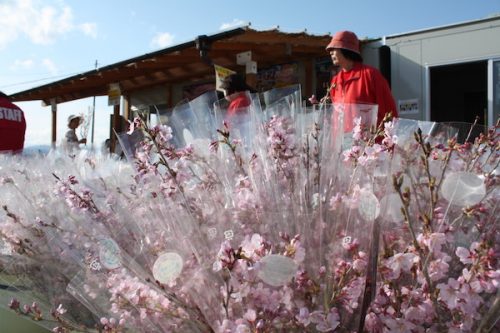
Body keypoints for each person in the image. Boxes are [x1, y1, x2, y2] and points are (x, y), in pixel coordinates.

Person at [326, 30, 398, 130]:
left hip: (369, 143)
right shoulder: (335, 81)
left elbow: (389, 111)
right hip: (343, 143)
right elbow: (336, 118)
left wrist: (383, 142)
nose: (330, 52)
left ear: (346, 49)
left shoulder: (371, 75)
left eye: (334, 48)